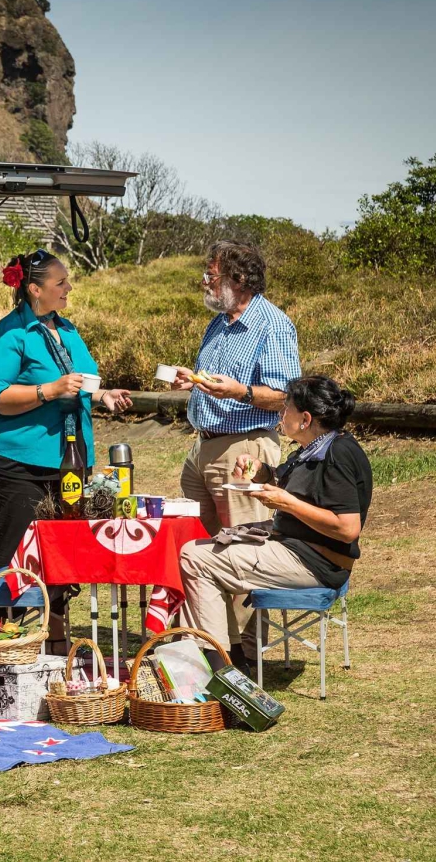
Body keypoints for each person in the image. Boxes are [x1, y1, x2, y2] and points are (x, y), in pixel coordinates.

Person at [0, 250, 133, 644]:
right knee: (14, 547)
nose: (68, 288)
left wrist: (103, 396)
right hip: (19, 460)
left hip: (70, 459)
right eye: (60, 282)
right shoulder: (8, 335)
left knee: (63, 546)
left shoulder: (67, 329)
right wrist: (48, 390)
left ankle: (55, 633)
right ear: (35, 289)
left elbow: (82, 382)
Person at [177, 375, 370, 669]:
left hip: (313, 562)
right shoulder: (315, 447)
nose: (281, 414)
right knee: (207, 548)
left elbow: (347, 528)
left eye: (286, 408)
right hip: (296, 549)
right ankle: (232, 658)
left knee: (195, 557)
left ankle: (220, 667)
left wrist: (286, 503)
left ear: (305, 419)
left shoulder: (337, 454)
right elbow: (294, 484)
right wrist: (261, 471)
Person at [170, 240, 301, 662]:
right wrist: (193, 381)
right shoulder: (219, 324)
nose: (204, 282)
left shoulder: (272, 325)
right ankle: (215, 647)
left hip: (245, 450)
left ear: (238, 278)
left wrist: (241, 392)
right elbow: (214, 382)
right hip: (203, 449)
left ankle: (243, 656)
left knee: (244, 551)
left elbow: (286, 396)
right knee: (204, 552)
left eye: (211, 275)